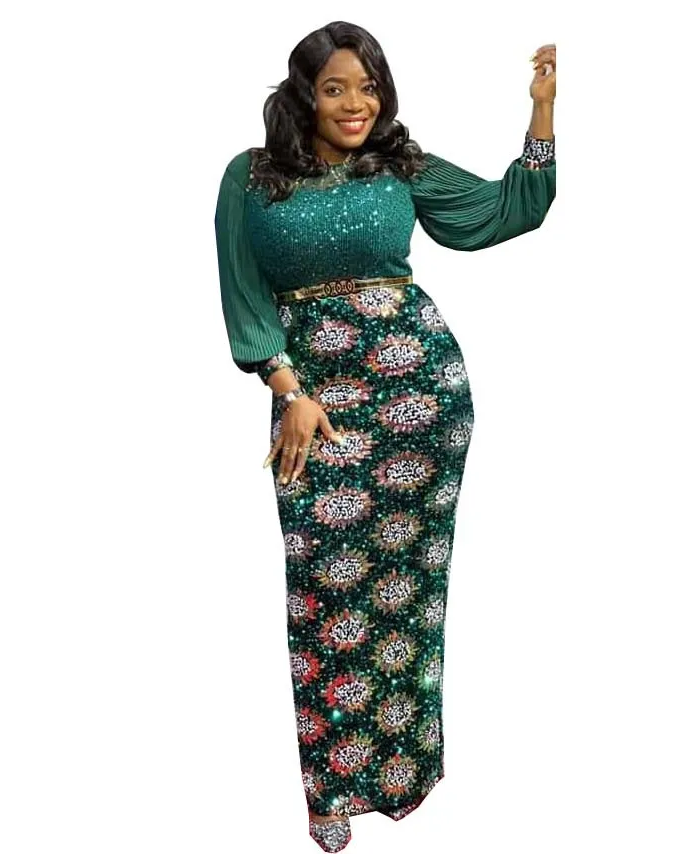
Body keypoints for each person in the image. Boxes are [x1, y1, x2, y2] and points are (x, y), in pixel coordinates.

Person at [214, 21, 556, 852]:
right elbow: (243, 292)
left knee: (409, 589)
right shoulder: (250, 177)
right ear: (305, 94)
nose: (355, 104)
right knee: (324, 591)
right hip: (316, 405)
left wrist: (541, 112)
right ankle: (330, 785)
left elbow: (509, 209)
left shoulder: (399, 164)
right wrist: (288, 388)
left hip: (422, 400)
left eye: (367, 88)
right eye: (335, 88)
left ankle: (403, 770)